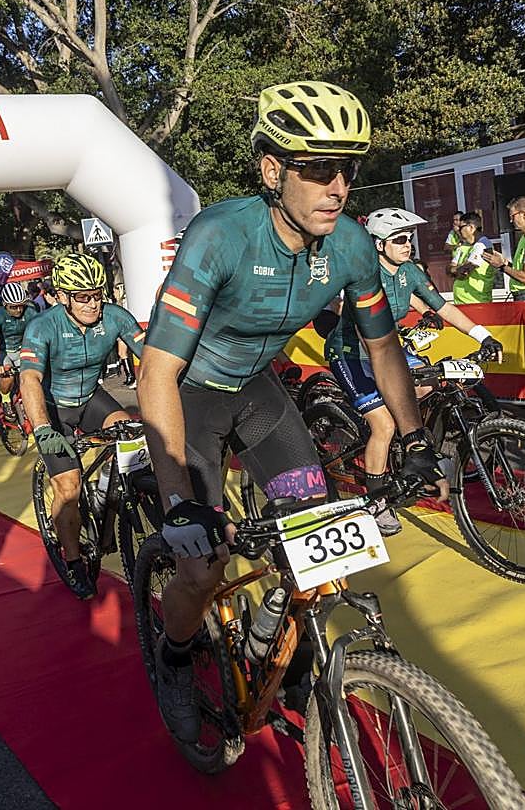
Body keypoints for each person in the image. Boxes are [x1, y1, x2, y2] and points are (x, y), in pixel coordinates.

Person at [137, 80, 447, 743]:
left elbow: (383, 345)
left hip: (258, 392)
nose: (338, 187)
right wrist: (177, 502)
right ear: (272, 171)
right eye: (318, 169)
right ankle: (174, 656)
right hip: (191, 396)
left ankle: (288, 654)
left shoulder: (352, 245)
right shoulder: (220, 236)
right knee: (202, 566)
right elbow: (157, 370)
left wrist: (415, 440)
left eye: (348, 170)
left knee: (319, 544)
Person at [325, 207, 503, 535]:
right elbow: (367, 335)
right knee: (384, 424)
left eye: (410, 239)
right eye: (399, 239)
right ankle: (377, 501)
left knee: (431, 383)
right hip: (351, 353)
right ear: (379, 245)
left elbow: (444, 307)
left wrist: (483, 335)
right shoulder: (364, 274)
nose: (408, 244)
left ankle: (411, 451)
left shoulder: (409, 271)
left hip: (389, 350)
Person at [17, 254, 144, 600]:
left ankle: (105, 493)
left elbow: (151, 356)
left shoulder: (114, 316)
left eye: (97, 294)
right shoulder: (42, 326)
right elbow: (29, 380)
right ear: (62, 296)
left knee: (132, 437)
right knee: (69, 486)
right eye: (83, 296)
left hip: (89, 397)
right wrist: (43, 429)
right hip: (53, 407)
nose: (93, 304)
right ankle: (73, 560)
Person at [0, 282, 38, 417]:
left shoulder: (31, 311)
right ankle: (5, 399)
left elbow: (40, 334)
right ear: (4, 304)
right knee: (7, 375)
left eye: (21, 305)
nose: (19, 310)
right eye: (13, 307)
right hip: (3, 350)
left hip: (22, 348)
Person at [448, 211, 496, 304]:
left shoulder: (483, 244)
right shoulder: (463, 246)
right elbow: (448, 269)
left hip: (476, 301)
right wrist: (455, 269)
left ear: (471, 227)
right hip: (460, 302)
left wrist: (455, 270)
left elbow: (465, 271)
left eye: (461, 227)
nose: (458, 230)